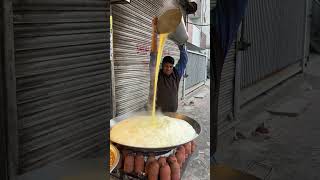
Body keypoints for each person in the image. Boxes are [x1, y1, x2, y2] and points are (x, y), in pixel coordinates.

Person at [147, 17, 188, 112]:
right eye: (166, 66)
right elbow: (154, 56)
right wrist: (154, 32)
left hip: (172, 114)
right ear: (162, 66)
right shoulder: (157, 74)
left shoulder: (176, 74)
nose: (168, 68)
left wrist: (181, 45)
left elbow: (184, 60)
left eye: (170, 66)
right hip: (156, 115)